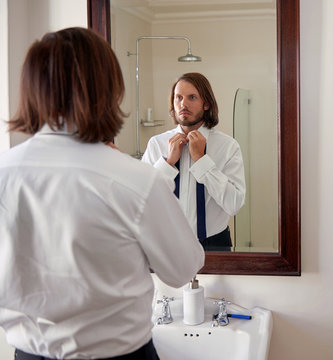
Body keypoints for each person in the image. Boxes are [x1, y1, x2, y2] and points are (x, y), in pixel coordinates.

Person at [0, 27, 205, 360]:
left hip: (26, 353)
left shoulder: (3, 174)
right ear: (108, 88)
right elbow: (183, 270)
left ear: (31, 89)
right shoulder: (135, 179)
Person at [142, 73, 246, 251]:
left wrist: (202, 161)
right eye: (178, 98)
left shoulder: (228, 146)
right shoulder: (156, 144)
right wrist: (167, 164)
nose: (183, 104)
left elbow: (234, 204)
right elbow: (142, 202)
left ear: (206, 104)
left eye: (192, 97)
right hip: (166, 243)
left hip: (214, 244)